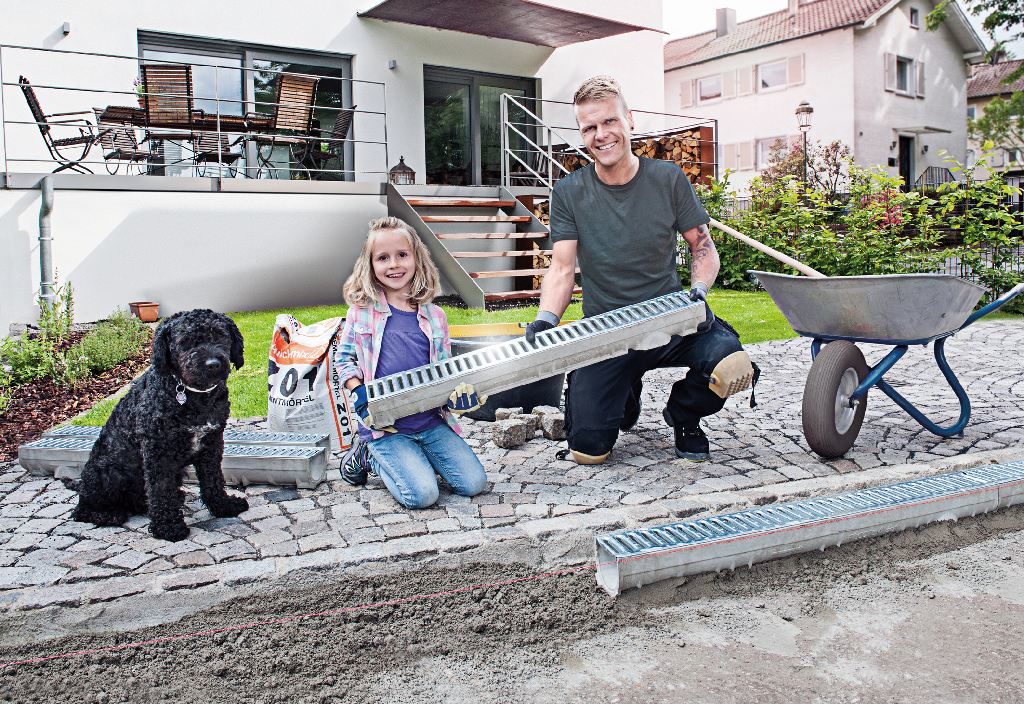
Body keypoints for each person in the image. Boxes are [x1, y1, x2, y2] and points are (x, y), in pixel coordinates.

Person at [525, 75, 756, 465]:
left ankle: (683, 415)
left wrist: (698, 292)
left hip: (671, 322)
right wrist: (547, 319)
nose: (601, 134)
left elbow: (703, 247)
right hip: (608, 330)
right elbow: (562, 269)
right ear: (582, 134)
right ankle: (623, 391)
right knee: (588, 452)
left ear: (629, 119)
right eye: (590, 127)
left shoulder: (667, 178)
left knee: (732, 365)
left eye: (609, 121)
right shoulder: (569, 192)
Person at [334, 216, 488, 509]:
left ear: (417, 258)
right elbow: (344, 359)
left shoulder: (435, 317)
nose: (393, 264)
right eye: (383, 258)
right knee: (421, 496)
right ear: (370, 265)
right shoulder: (362, 312)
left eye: (402, 255)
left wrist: (459, 396)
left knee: (473, 484)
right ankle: (367, 455)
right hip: (385, 427)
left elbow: (445, 372)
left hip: (430, 422)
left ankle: (419, 456)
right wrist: (358, 392)